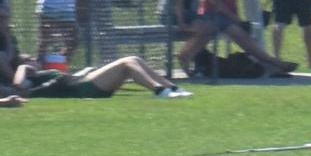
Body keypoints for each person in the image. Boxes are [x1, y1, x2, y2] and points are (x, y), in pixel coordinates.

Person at [18, 55, 193, 100]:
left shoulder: (43, 74)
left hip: (84, 81)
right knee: (127, 63)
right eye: (29, 59)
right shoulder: (33, 80)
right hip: (82, 88)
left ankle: (172, 88)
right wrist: (22, 65)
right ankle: (159, 91)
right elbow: (18, 85)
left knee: (133, 60)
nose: (34, 60)